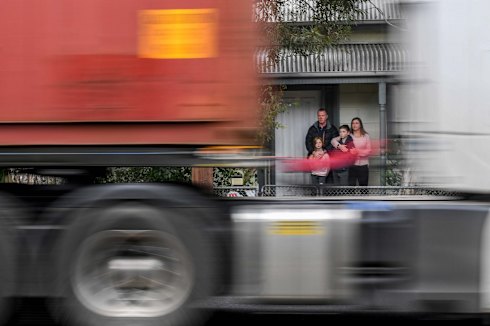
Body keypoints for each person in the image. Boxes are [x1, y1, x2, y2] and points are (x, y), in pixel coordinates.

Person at [305, 108, 338, 184]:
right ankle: (316, 195)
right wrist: (313, 152)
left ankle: (324, 195)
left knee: (328, 182)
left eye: (323, 115)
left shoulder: (332, 129)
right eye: (319, 115)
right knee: (315, 182)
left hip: (327, 159)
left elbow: (335, 143)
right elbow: (308, 142)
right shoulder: (312, 129)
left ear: (326, 116)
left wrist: (325, 151)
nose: (321, 117)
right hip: (315, 158)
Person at [346, 117, 371, 186]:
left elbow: (369, 151)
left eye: (356, 123)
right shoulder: (348, 136)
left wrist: (357, 152)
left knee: (363, 188)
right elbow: (334, 141)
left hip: (363, 165)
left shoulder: (366, 136)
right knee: (351, 189)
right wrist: (339, 145)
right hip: (352, 165)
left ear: (360, 125)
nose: (354, 125)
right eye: (353, 123)